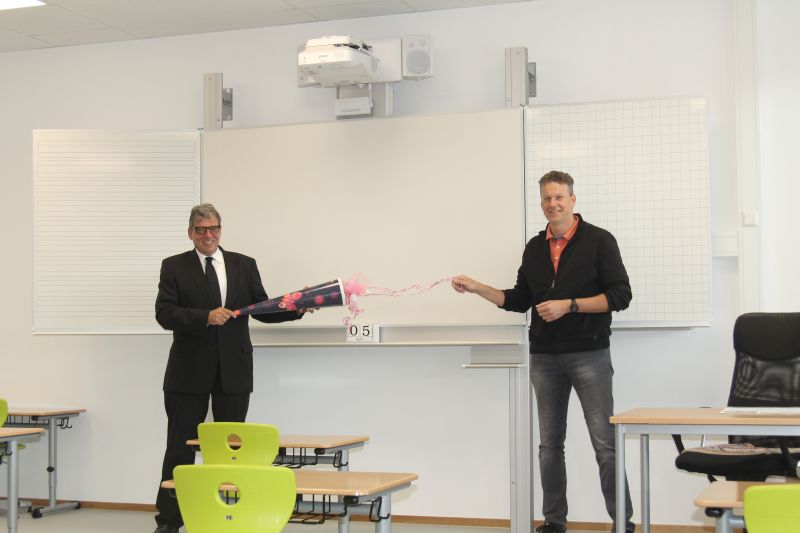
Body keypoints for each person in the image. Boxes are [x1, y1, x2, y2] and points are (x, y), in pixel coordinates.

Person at [452, 171, 635, 533]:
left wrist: (571, 305)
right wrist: (477, 287)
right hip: (544, 358)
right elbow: (518, 299)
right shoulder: (534, 248)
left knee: (605, 445)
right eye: (546, 199)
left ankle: (623, 525)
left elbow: (620, 296)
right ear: (541, 203)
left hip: (589, 354)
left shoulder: (600, 241)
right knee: (549, 446)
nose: (553, 204)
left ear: (573, 200)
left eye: (559, 197)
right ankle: (554, 523)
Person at [153, 203, 304, 533]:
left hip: (234, 370)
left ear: (221, 229)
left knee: (233, 452)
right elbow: (164, 314)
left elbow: (262, 309)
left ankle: (230, 516)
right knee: (179, 448)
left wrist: (297, 308)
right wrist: (203, 317)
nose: (208, 235)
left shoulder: (243, 264)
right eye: (201, 230)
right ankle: (169, 521)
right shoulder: (174, 266)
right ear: (190, 232)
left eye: (214, 229)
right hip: (187, 373)